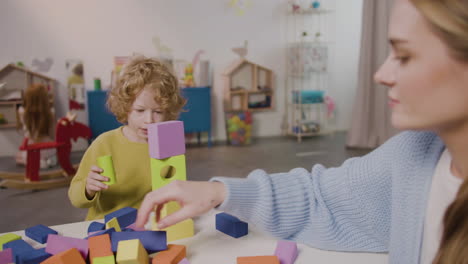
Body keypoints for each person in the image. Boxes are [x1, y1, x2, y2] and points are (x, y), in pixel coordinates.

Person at [135, 0, 468, 263]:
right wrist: (220, 192)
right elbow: (319, 196)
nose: (381, 74)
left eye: (405, 55)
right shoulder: (413, 155)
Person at [68, 56, 186, 220]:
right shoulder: (105, 143)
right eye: (140, 110)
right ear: (126, 107)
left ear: (168, 111)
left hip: (148, 227)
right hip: (107, 228)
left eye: (158, 112)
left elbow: (173, 188)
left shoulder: (168, 142)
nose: (149, 120)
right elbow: (75, 198)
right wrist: (88, 188)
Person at [15, 83, 57, 169]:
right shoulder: (51, 113)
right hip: (48, 148)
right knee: (51, 155)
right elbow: (53, 136)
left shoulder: (21, 112)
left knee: (18, 156)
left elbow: (25, 135)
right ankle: (48, 160)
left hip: (31, 149)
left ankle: (37, 162)